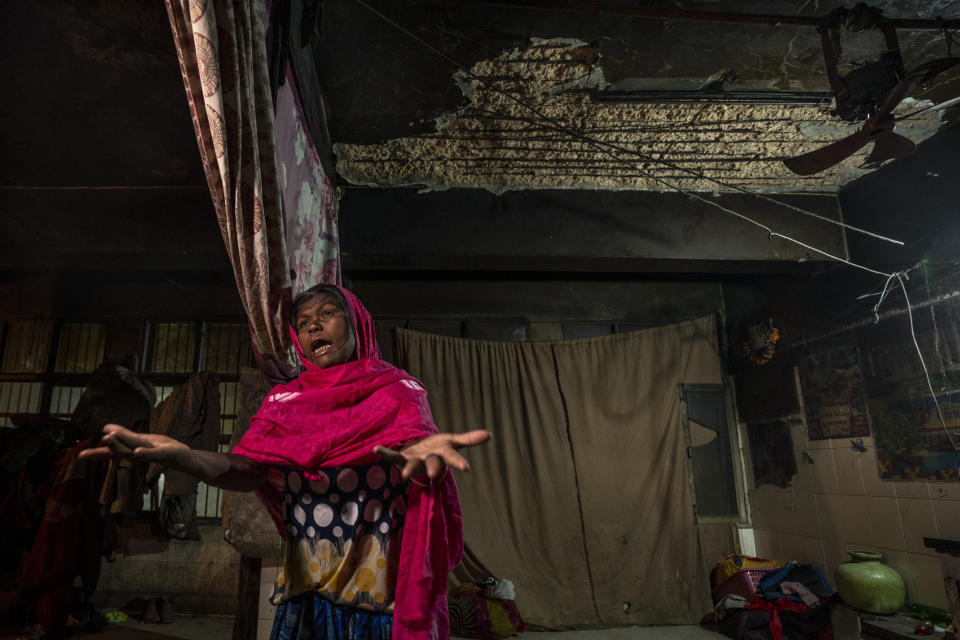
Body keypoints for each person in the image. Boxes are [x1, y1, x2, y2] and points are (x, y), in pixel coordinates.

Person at [81, 284, 490, 640]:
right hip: (306, 595)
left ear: (357, 325)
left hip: (377, 601)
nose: (314, 326)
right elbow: (247, 471)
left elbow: (420, 454)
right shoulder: (283, 402)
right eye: (304, 321)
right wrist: (183, 456)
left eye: (328, 314)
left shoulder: (397, 390)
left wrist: (422, 461)